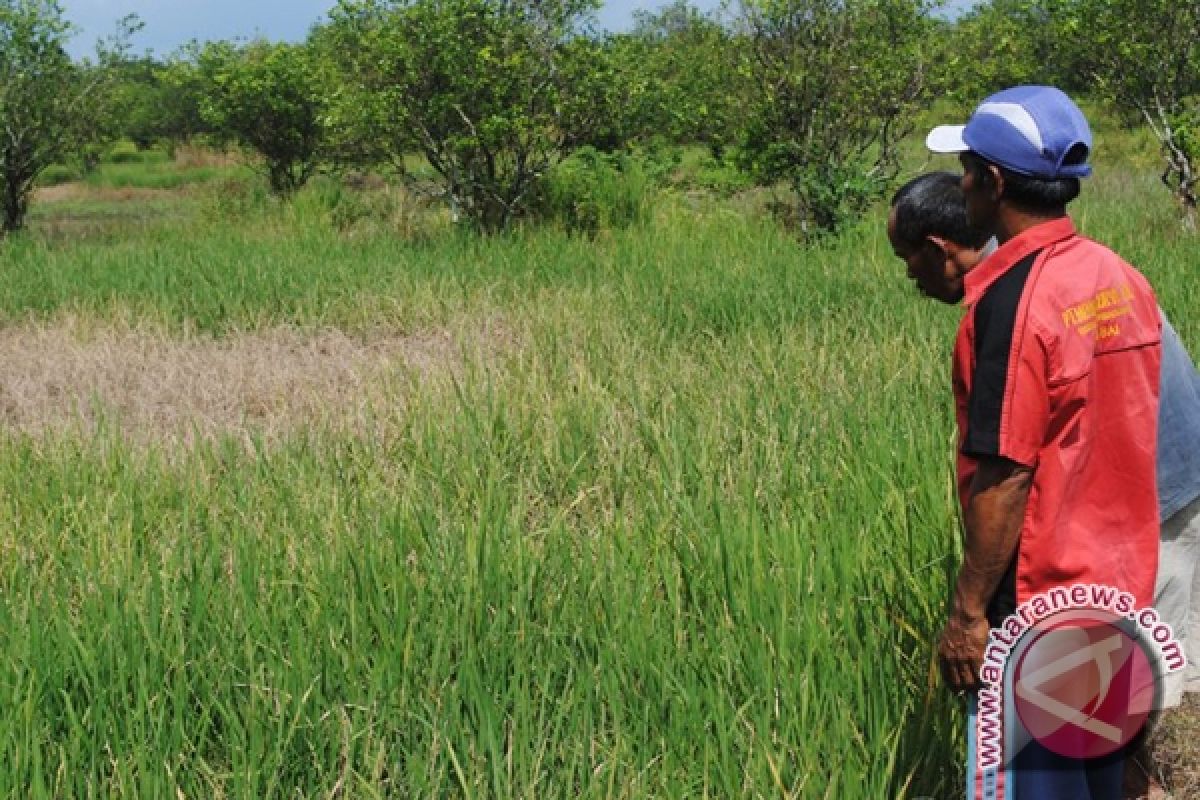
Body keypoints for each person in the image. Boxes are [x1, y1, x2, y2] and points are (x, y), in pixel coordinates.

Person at [889, 171, 1200, 798]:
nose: (909, 278)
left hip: (1146, 508)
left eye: (908, 258)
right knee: (1108, 725)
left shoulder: (1017, 298)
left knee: (1075, 735)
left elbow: (1009, 471)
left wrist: (970, 612)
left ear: (941, 244)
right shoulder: (1092, 265)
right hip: (1137, 520)